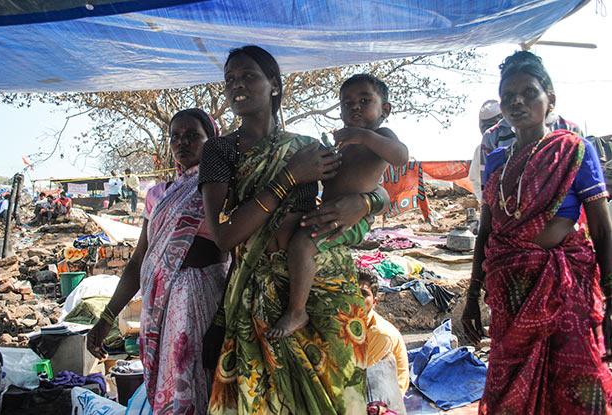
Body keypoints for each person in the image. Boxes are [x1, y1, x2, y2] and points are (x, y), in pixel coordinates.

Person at [200, 45, 390, 414]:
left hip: (323, 288)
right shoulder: (219, 151)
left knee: (334, 397)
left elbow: (362, 185)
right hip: (259, 295)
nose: (237, 85)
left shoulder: (308, 147)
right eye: (230, 80)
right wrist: (290, 178)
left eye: (248, 76)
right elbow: (224, 237)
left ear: (274, 84)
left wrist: (370, 202)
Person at [461, 51, 612, 414]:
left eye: (528, 92)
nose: (516, 101)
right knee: (508, 395)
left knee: (578, 391)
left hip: (564, 296)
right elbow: (487, 231)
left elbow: (603, 230)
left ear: (550, 100)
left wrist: (611, 300)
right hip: (510, 296)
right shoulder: (496, 160)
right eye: (507, 95)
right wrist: (471, 296)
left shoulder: (575, 151)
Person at [86, 108, 229, 413]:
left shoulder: (224, 187)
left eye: (193, 135)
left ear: (212, 140)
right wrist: (107, 316)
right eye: (175, 136)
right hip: (160, 310)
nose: (182, 142)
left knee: (206, 385)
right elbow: (139, 260)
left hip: (204, 304)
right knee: (172, 388)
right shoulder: (158, 195)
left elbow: (236, 254)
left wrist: (223, 320)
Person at [267, 73, 408, 338]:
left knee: (302, 244)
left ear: (385, 109)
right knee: (293, 231)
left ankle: (297, 311)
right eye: (347, 102)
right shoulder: (342, 145)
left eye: (364, 100)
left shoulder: (380, 135)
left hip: (352, 220)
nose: (354, 106)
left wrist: (365, 137)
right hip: (328, 212)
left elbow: (401, 157)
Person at [359, 270, 408, 415]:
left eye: (363, 294)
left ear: (375, 301)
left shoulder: (380, 333)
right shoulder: (351, 323)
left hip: (383, 401)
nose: (357, 298)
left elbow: (368, 380)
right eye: (352, 292)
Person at [469, 100, 502, 201]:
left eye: (491, 126)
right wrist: (485, 202)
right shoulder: (479, 150)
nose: (487, 131)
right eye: (484, 127)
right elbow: (475, 179)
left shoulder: (518, 143)